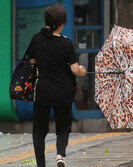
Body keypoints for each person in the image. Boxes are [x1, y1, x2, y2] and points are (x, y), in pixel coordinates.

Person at [27, 6, 86, 167]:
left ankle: (41, 164)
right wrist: (82, 71)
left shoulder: (36, 39)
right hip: (63, 92)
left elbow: (31, 61)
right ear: (61, 24)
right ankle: (60, 155)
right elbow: (75, 69)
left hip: (43, 91)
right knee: (63, 127)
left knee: (39, 130)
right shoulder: (66, 43)